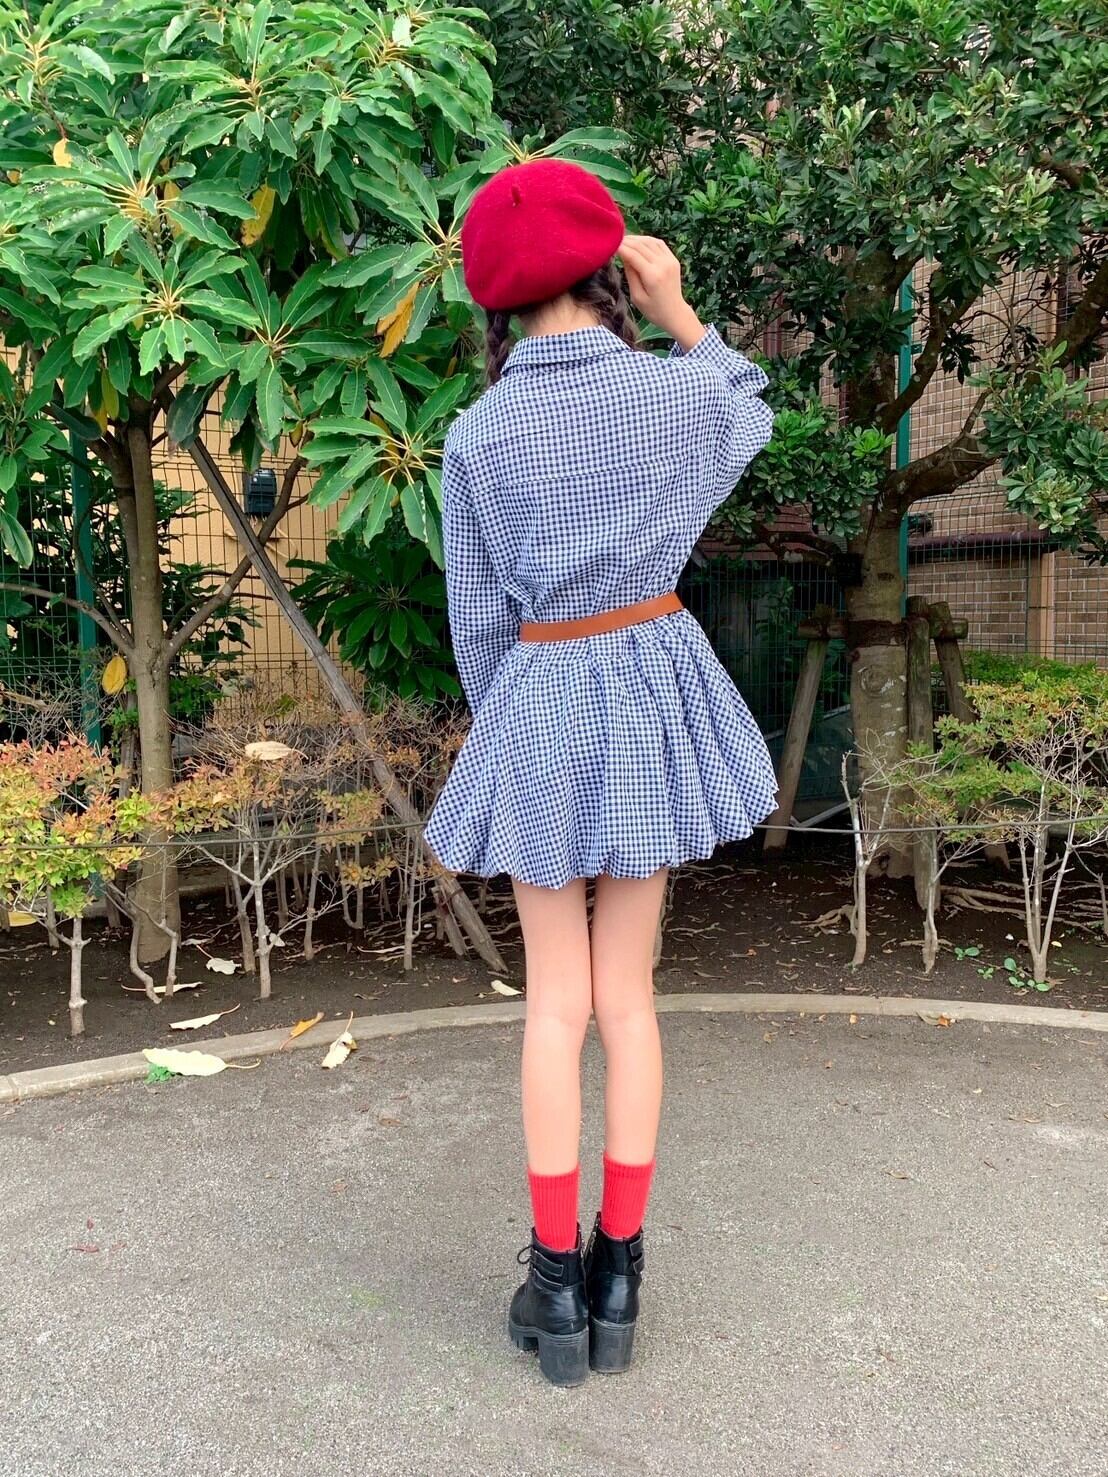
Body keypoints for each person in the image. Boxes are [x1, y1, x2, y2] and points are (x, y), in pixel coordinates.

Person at [423, 158, 777, 1386]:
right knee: (629, 1000)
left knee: (553, 1007)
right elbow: (746, 407)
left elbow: (478, 619)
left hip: (539, 692)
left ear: (493, 296)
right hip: (650, 695)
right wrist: (680, 313)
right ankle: (621, 1269)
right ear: (608, 270)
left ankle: (555, 1286)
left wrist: (516, 729)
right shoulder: (669, 397)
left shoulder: (477, 434)